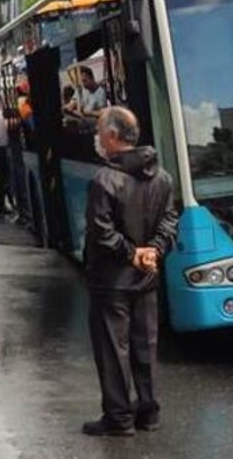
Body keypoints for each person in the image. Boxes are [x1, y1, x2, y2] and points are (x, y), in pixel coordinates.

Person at [82, 107, 178, 437]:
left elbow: (100, 230)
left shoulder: (104, 180)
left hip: (111, 280)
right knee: (145, 346)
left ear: (112, 136)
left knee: (113, 349)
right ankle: (148, 412)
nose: (96, 137)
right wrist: (154, 250)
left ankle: (119, 417)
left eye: (98, 130)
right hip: (146, 276)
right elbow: (169, 220)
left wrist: (134, 253)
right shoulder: (162, 176)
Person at [0, 100, 14, 219]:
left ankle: (2, 205)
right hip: (2, 149)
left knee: (4, 177)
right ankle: (1, 206)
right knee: (5, 178)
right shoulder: (4, 115)